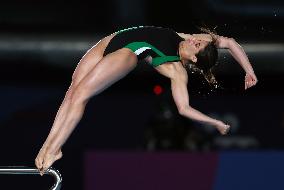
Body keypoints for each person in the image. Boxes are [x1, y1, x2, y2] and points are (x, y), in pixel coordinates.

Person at [35, 26, 258, 175]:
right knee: (72, 91)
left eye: (197, 45)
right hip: (111, 39)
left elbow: (184, 108)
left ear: (193, 58)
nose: (195, 39)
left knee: (81, 95)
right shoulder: (198, 41)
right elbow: (230, 42)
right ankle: (48, 145)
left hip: (127, 53)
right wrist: (249, 71)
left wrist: (215, 123)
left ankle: (55, 148)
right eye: (199, 40)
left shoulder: (176, 69)